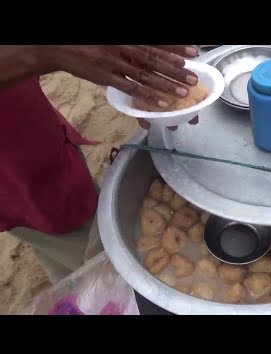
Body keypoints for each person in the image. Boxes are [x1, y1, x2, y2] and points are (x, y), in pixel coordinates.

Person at [0, 45, 200, 283]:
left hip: (30, 126)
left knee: (67, 221)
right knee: (84, 255)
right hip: (14, 175)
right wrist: (43, 52)